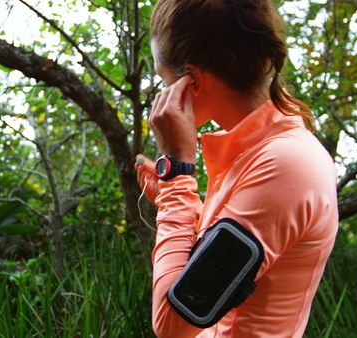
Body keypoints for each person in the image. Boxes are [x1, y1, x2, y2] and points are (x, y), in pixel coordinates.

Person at [134, 0, 339, 337]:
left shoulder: (286, 166)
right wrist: (184, 202)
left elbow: (173, 323)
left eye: (162, 78)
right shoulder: (258, 154)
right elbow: (225, 256)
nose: (160, 94)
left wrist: (177, 178)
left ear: (193, 81)